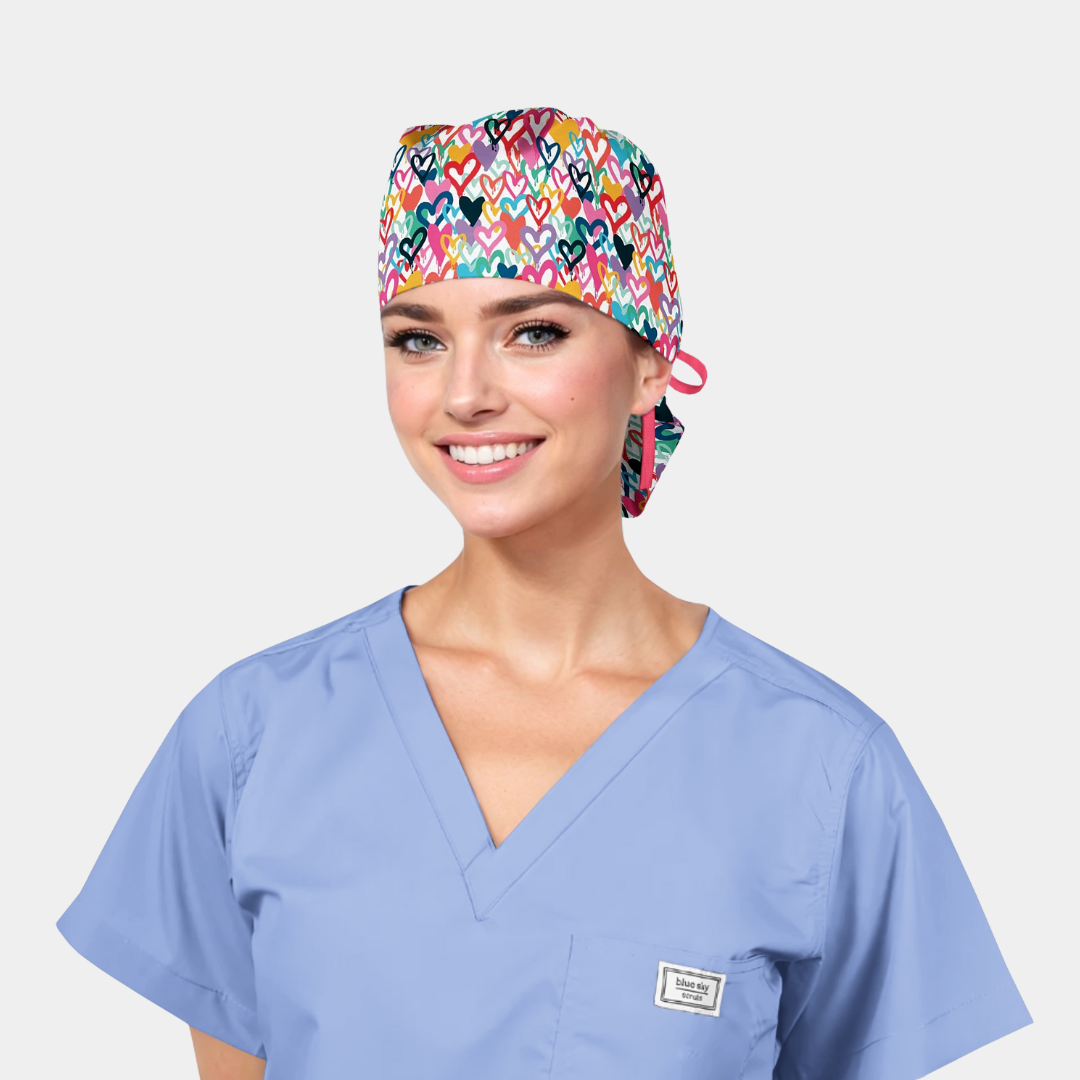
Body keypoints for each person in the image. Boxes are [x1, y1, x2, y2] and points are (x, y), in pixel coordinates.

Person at [57, 106, 1031, 1080]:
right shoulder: (250, 737)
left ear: (650, 366)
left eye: (533, 332)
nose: (465, 394)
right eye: (418, 340)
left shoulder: (820, 769)